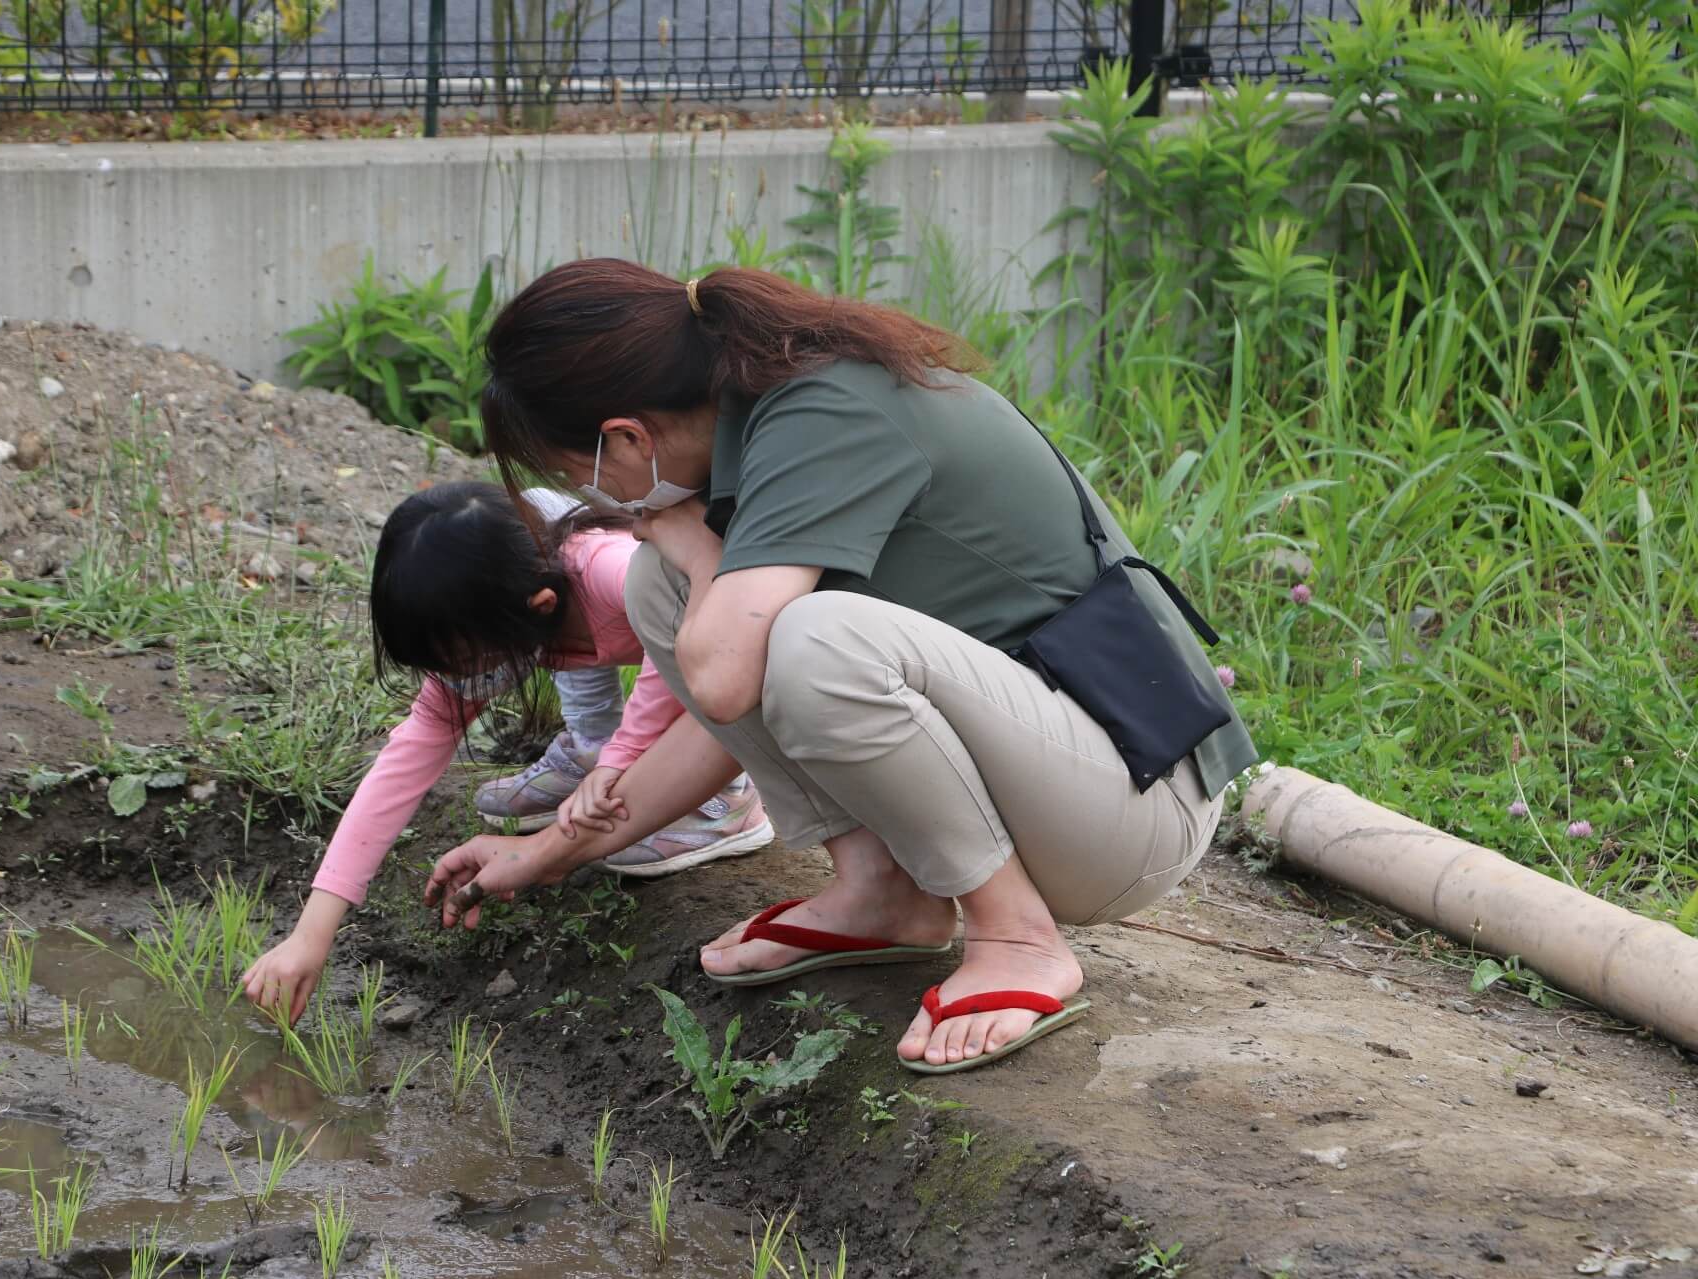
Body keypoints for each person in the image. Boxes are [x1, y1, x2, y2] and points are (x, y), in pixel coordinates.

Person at [425, 261, 1256, 1074]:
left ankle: (1017, 940)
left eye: (580, 478)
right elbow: (730, 719)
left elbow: (724, 682)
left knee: (811, 637)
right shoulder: (759, 421)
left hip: (1134, 806)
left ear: (627, 438)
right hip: (1045, 778)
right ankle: (883, 890)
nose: (600, 502)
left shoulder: (825, 415)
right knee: (667, 587)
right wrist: (542, 854)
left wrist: (699, 550)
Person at [241, 480, 774, 1024]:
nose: (454, 682)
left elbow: (700, 637)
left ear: (536, 608)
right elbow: (404, 763)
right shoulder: (511, 613)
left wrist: (625, 754)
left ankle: (730, 801)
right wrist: (312, 933)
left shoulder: (617, 571)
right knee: (599, 714)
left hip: (726, 626)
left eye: (463, 662)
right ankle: (592, 754)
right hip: (568, 603)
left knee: (682, 666)